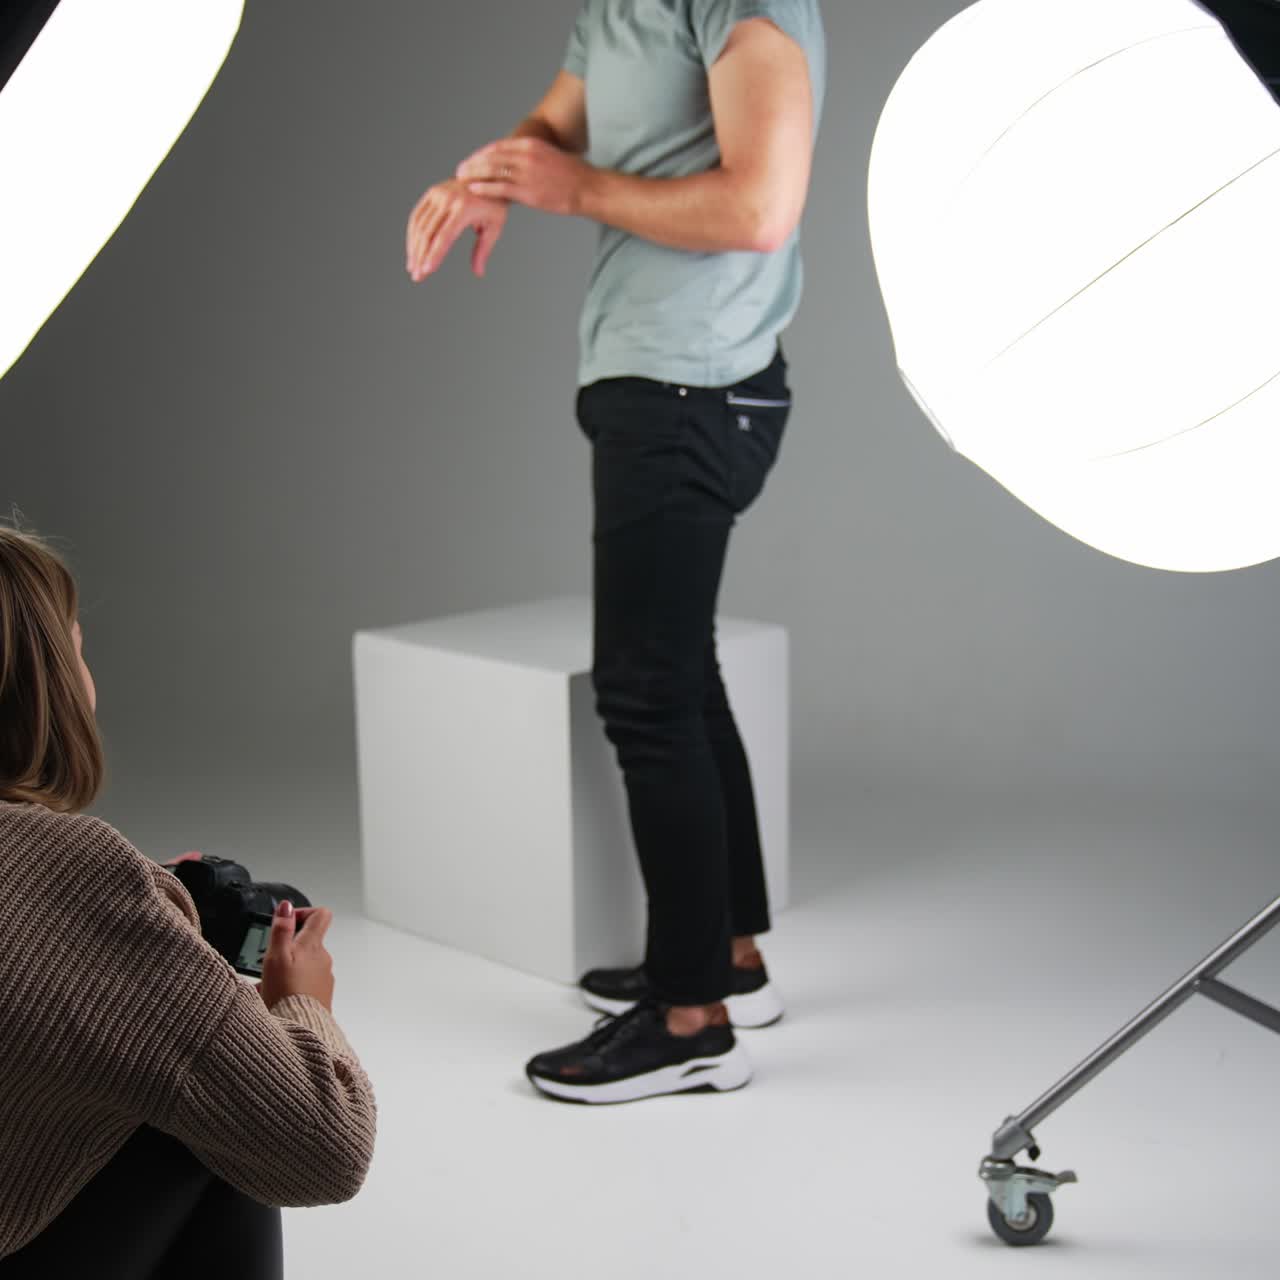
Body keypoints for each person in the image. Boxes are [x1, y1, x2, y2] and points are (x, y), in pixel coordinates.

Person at [405, 0, 825, 1104]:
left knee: (644, 691)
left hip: (696, 385)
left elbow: (759, 205)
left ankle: (691, 1019)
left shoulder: (745, 12)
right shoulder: (616, 8)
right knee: (679, 669)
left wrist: (573, 190)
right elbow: (553, 122)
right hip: (653, 377)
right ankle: (725, 952)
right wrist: (492, 175)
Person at [0, 526, 376, 1276]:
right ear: (43, 681)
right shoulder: (72, 872)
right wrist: (302, 1006)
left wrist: (140, 915)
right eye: (77, 646)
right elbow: (326, 1149)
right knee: (216, 1120)